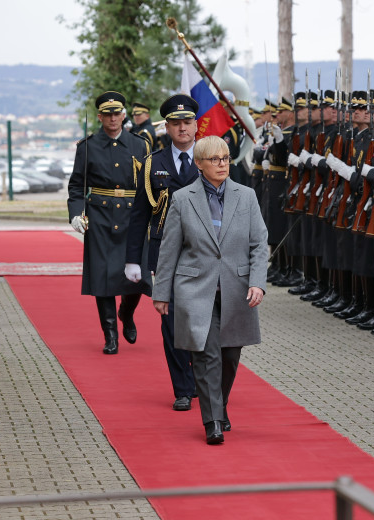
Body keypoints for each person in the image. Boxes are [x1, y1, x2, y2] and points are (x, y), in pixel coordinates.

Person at [151, 135, 268, 445]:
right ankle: (212, 420)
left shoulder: (246, 196)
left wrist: (257, 282)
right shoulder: (182, 198)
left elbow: (258, 244)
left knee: (229, 355)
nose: (222, 164)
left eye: (226, 158)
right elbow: (169, 249)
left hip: (236, 289)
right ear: (199, 164)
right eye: (215, 159)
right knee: (206, 355)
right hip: (195, 288)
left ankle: (220, 402)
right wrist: (161, 293)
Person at [125, 94, 201, 411]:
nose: (182, 128)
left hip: (205, 253)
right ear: (167, 127)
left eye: (187, 122)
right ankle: (183, 387)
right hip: (165, 253)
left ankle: (203, 378)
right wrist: (133, 259)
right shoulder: (152, 164)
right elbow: (139, 214)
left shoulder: (213, 157)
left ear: (196, 125)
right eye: (176, 123)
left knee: (205, 319)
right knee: (170, 322)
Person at [67, 90, 151, 355]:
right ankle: (110, 335)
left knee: (136, 276)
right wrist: (75, 213)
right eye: (107, 114)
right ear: (100, 116)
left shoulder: (140, 145)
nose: (112, 118)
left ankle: (126, 312)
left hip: (132, 217)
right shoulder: (87, 146)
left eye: (117, 113)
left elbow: (149, 184)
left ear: (123, 115)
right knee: (103, 278)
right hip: (100, 218)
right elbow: (77, 186)